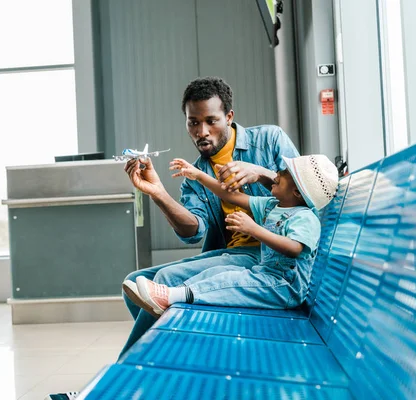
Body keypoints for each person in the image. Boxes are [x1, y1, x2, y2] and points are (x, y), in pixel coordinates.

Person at [119, 76, 299, 355]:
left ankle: (123, 381)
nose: (202, 131)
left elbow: (306, 192)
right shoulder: (194, 176)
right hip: (231, 255)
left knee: (164, 280)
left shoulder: (269, 140)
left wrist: (262, 173)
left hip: (269, 254)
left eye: (211, 121)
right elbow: (194, 231)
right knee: (133, 282)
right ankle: (163, 362)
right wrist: (158, 193)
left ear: (228, 117)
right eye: (193, 122)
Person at [131, 154, 339, 314]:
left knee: (227, 281)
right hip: (265, 275)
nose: (277, 172)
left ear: (296, 192)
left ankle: (168, 297)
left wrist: (254, 229)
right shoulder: (273, 205)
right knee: (216, 275)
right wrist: (199, 175)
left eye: (286, 173)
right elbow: (231, 196)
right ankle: (171, 297)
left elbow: (295, 248)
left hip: (285, 287)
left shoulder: (305, 218)